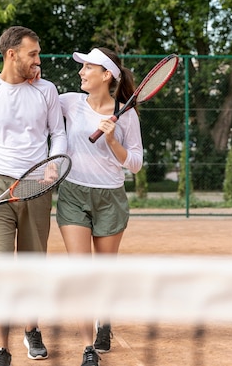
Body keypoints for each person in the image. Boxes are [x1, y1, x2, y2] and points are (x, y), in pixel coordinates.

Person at [0, 26, 67, 366]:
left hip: (37, 186)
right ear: (12, 55)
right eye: (33, 54)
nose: (38, 60)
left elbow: (58, 133)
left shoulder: (47, 91)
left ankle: (31, 328)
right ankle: (1, 348)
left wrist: (53, 164)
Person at [57, 47, 144, 366]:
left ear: (106, 75)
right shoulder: (68, 102)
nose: (81, 72)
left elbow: (135, 164)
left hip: (110, 197)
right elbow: (42, 100)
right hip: (73, 195)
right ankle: (87, 349)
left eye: (88, 68)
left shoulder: (127, 114)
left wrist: (112, 141)